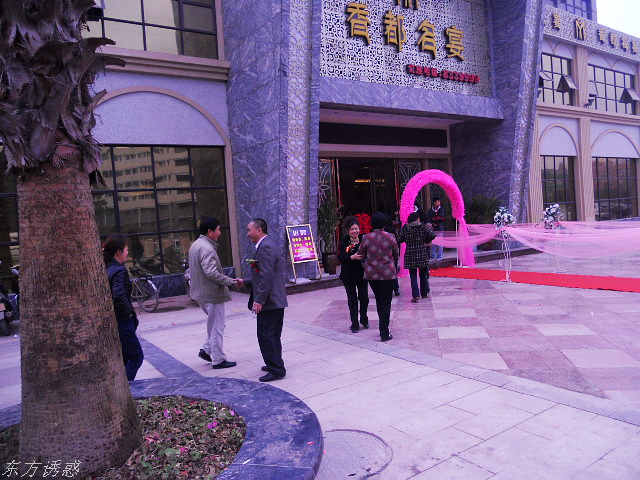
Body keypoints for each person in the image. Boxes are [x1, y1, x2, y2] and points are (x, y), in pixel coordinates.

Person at [239, 218, 288, 382]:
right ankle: (274, 363)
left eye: (249, 230)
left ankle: (276, 369)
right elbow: (261, 274)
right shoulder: (264, 245)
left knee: (267, 335)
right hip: (271, 299)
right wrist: (246, 281)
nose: (247, 233)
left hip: (270, 301)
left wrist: (259, 300)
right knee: (271, 334)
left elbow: (266, 276)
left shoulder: (266, 246)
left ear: (259, 230)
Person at [189, 217, 240, 370]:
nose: (220, 232)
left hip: (201, 293)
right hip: (212, 294)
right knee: (218, 326)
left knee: (214, 324)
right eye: (218, 229)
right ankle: (218, 359)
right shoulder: (207, 248)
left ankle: (206, 350)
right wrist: (231, 281)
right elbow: (211, 272)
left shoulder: (195, 245)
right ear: (210, 232)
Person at [103, 235, 144, 382]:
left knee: (126, 358)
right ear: (118, 252)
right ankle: (126, 387)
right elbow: (119, 295)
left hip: (115, 320)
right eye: (126, 250)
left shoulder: (107, 268)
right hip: (123, 321)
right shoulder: (119, 271)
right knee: (136, 357)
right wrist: (129, 315)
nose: (127, 252)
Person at [357, 212, 399, 342]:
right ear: (384, 224)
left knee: (379, 300)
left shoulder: (366, 238)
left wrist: (366, 265)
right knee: (386, 302)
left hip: (372, 275)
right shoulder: (391, 237)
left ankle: (383, 329)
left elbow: (361, 254)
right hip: (388, 274)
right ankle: (384, 331)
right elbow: (396, 254)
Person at [338, 216, 369, 333]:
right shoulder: (344, 241)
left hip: (362, 273)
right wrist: (352, 257)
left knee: (364, 298)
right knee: (352, 299)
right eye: (352, 229)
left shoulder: (363, 239)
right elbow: (341, 257)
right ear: (348, 230)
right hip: (348, 274)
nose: (355, 231)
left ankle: (364, 318)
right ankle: (354, 323)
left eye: (356, 229)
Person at [398, 212, 436, 302]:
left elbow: (400, 239)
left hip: (410, 255)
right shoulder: (423, 226)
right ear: (417, 219)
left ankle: (415, 296)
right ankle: (424, 293)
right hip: (422, 254)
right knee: (423, 275)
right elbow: (432, 235)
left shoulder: (405, 228)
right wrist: (426, 241)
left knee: (413, 276)